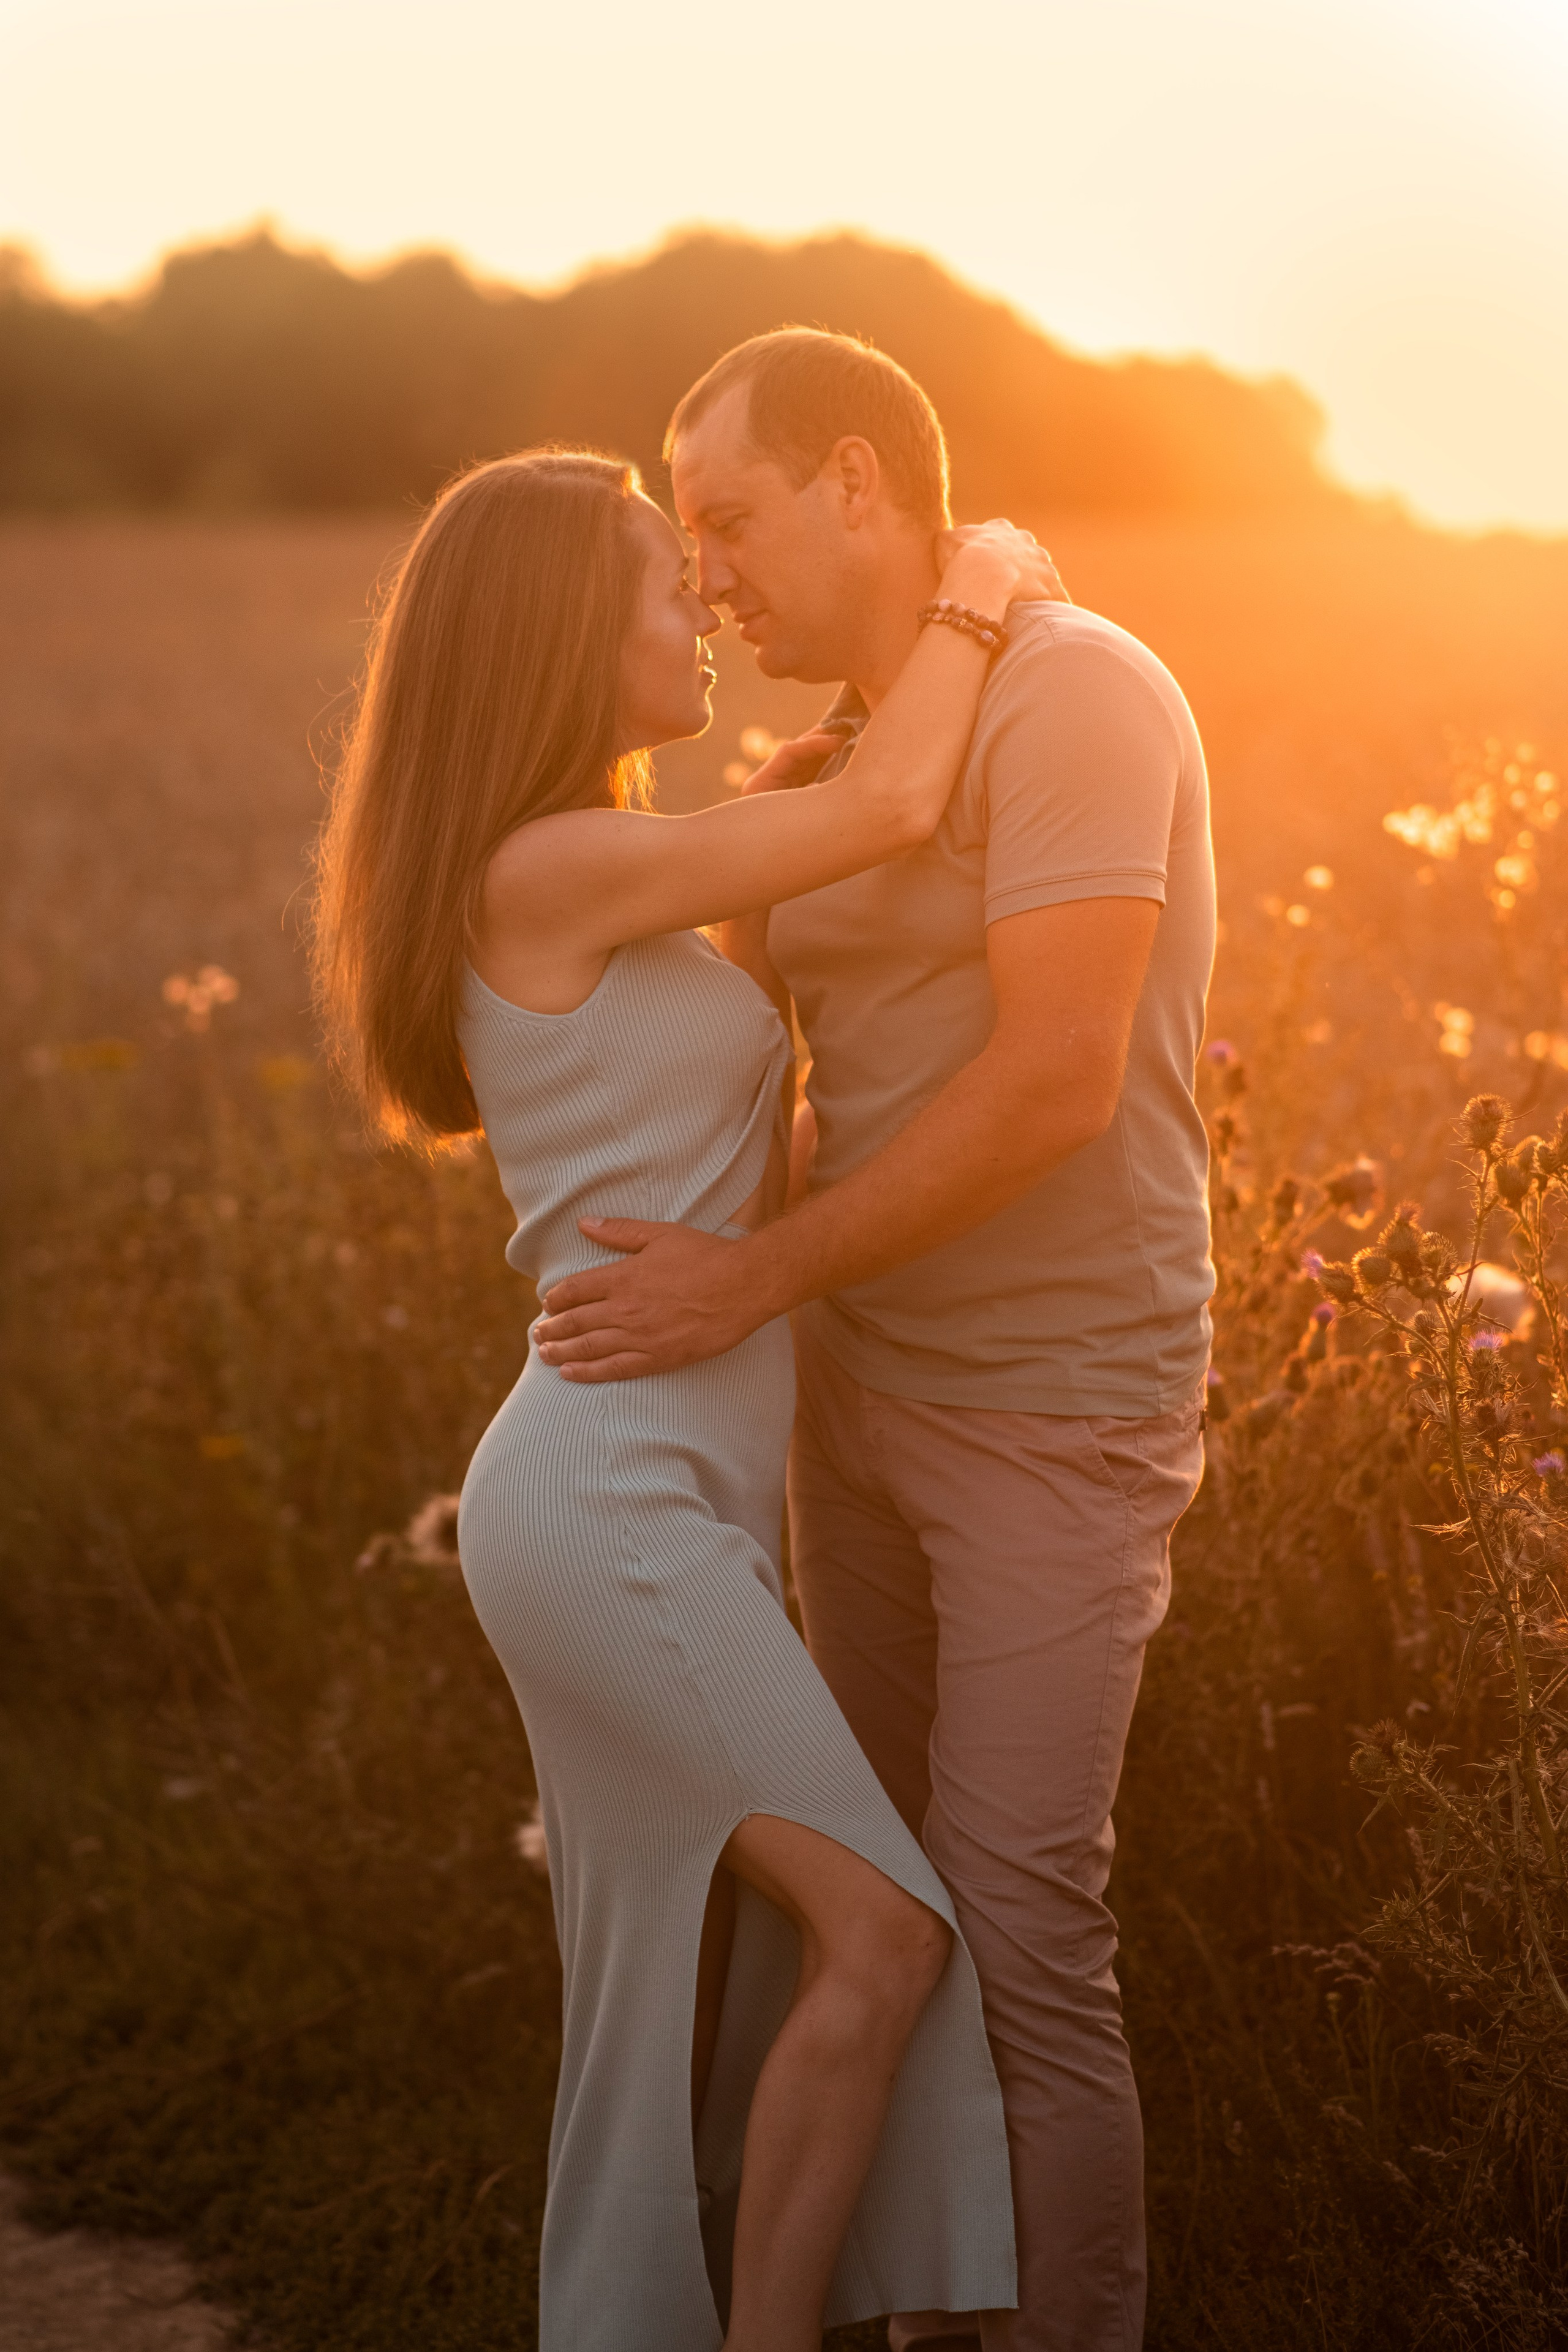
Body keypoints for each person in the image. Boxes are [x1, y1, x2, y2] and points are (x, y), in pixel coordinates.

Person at [311, 447, 1063, 2352]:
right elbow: (905, 800)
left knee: (725, 1978)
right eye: (670, 579)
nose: (708, 608)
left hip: (657, 1493)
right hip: (610, 1505)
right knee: (883, 1937)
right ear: (571, 629)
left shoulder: (599, 881)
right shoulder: (552, 865)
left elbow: (708, 1112)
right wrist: (981, 583)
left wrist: (761, 838)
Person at [532, 333, 1217, 2352]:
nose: (711, 571)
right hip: (862, 1395)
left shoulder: (1076, 691)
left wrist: (750, 1281)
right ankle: (913, 2316)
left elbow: (1056, 1085)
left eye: (728, 518)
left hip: (1053, 1410)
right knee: (872, 1895)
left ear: (857, 480)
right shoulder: (855, 740)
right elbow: (834, 1081)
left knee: (1020, 1928)